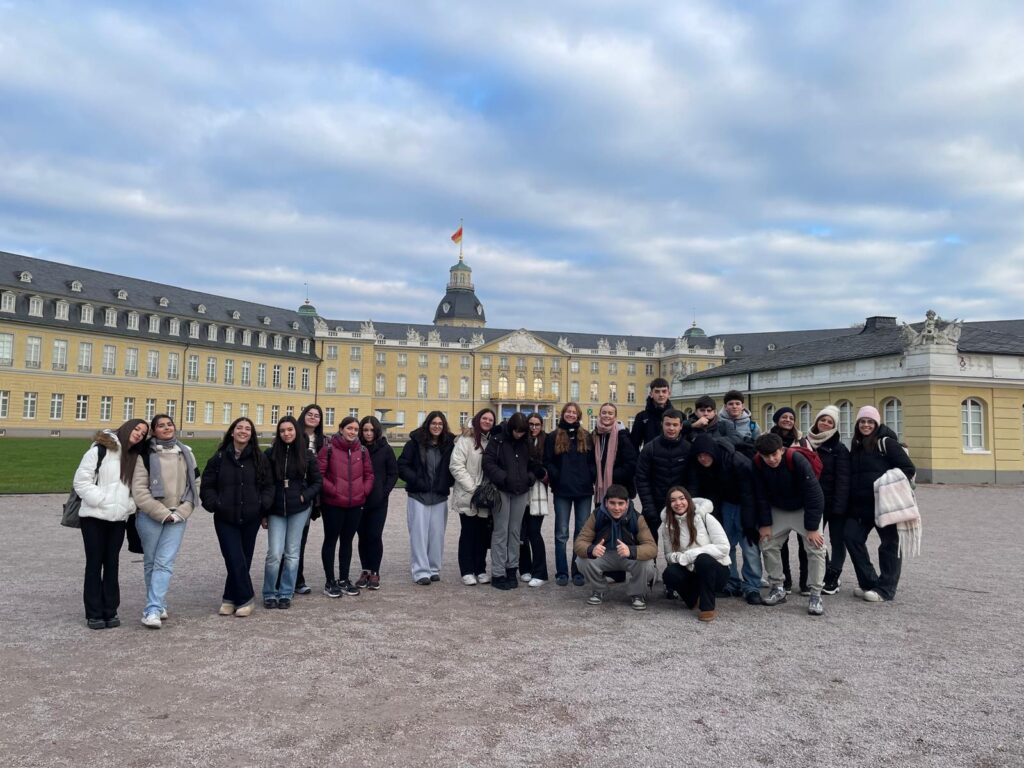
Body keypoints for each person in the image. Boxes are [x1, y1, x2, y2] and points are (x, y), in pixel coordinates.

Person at [74, 418, 149, 629]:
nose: (139, 434)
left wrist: (128, 506)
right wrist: (102, 500)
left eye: (143, 433)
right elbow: (81, 481)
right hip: (94, 517)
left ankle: (110, 610)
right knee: (94, 563)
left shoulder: (134, 457)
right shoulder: (100, 450)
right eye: (137, 429)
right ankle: (94, 613)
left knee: (112, 564)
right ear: (127, 428)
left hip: (118, 519)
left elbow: (136, 489)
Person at [200, 417, 274, 617]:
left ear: (251, 434)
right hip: (225, 517)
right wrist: (215, 504)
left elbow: (268, 486)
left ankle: (229, 598)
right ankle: (246, 598)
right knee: (233, 556)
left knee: (244, 557)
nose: (243, 431)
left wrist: (262, 505)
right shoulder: (219, 458)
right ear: (232, 432)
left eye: (247, 429)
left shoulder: (259, 458)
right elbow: (207, 485)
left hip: (251, 516)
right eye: (239, 428)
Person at [131, 414, 199, 629]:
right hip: (150, 516)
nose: (167, 428)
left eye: (169, 424)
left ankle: (152, 609)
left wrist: (182, 511)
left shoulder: (186, 452)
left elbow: (194, 485)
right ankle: (158, 604)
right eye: (161, 426)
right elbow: (139, 491)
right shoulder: (144, 455)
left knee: (164, 563)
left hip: (178, 516)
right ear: (153, 431)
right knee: (152, 562)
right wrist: (162, 513)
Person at [844, 406, 915, 602]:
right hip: (861, 506)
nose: (866, 425)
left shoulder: (887, 443)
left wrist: (884, 482)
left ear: (877, 424)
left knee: (889, 544)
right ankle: (869, 582)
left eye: (870, 422)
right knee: (851, 537)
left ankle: (886, 589)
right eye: (862, 421)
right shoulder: (857, 445)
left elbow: (908, 468)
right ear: (857, 424)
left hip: (884, 504)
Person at [751, 433, 827, 615]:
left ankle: (815, 593)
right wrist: (765, 523)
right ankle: (777, 587)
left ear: (782, 450)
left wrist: (812, 528)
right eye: (766, 456)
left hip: (804, 507)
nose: (771, 459)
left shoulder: (797, 459)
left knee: (816, 547)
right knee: (767, 543)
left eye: (774, 454)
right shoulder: (758, 463)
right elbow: (760, 495)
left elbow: (814, 494)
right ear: (760, 454)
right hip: (779, 507)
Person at [684, 433, 762, 605]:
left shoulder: (737, 461)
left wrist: (749, 522)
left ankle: (752, 586)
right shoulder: (699, 465)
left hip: (745, 504)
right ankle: (731, 582)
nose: (702, 458)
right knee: (726, 544)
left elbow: (749, 493)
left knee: (749, 545)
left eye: (706, 454)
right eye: (699, 455)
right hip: (725, 504)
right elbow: (699, 489)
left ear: (713, 451)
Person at [261, 416, 322, 609]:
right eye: (282, 430)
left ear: (296, 431)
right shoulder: (270, 454)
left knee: (292, 553)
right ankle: (269, 592)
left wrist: (305, 496)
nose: (286, 433)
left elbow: (317, 482)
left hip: (299, 508)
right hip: (276, 509)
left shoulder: (307, 455)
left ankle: (286, 592)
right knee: (274, 554)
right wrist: (264, 512)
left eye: (290, 430)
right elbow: (264, 483)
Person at [482, 412, 543, 590]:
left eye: (522, 432)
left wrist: (529, 478)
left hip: (521, 491)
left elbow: (534, 465)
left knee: (515, 532)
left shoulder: (527, 442)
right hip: (502, 490)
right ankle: (498, 572)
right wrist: (503, 477)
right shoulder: (498, 440)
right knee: (501, 531)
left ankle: (511, 569)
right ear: (511, 429)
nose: (519, 435)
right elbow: (488, 463)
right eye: (517, 431)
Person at [573, 484, 657, 611]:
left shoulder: (637, 518)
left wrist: (632, 551)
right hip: (604, 555)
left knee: (648, 564)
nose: (616, 508)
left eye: (620, 503)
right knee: (581, 560)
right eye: (612, 503)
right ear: (606, 503)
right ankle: (599, 590)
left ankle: (637, 593)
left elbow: (652, 547)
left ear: (627, 504)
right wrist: (591, 549)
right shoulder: (596, 515)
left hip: (628, 556)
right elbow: (579, 543)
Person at [318, 416, 375, 597]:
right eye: (349, 428)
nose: (352, 432)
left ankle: (344, 579)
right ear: (341, 429)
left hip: (355, 504)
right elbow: (319, 475)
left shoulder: (362, 451)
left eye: (355, 429)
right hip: (333, 504)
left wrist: (363, 491)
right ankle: (329, 581)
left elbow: (369, 474)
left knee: (347, 542)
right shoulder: (328, 449)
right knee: (330, 541)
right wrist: (334, 490)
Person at [398, 411, 456, 585]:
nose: (437, 426)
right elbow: (402, 466)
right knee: (419, 534)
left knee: (437, 534)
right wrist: (417, 480)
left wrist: (446, 482)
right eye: (434, 423)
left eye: (440, 424)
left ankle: (433, 568)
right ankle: (420, 571)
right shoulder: (414, 444)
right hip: (418, 495)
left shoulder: (449, 445)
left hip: (439, 495)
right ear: (428, 424)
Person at [660, 486, 731, 621]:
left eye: (682, 498)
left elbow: (724, 547)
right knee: (669, 573)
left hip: (715, 571)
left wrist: (692, 554)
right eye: (673, 500)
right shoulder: (667, 526)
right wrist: (680, 557)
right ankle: (693, 599)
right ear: (669, 504)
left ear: (688, 500)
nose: (678, 503)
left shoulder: (705, 517)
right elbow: (668, 555)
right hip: (690, 570)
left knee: (703, 559)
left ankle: (707, 608)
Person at [544, 402, 596, 586]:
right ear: (563, 414)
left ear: (578, 415)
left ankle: (578, 570)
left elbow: (592, 461)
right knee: (561, 533)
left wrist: (590, 476)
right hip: (562, 490)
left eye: (574, 412)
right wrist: (557, 477)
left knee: (581, 532)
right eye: (568, 412)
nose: (571, 415)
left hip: (584, 490)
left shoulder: (586, 436)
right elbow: (548, 461)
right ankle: (562, 572)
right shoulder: (553, 436)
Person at [804, 405, 851, 595]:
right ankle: (824, 572)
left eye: (829, 421)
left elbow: (843, 479)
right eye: (822, 419)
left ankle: (833, 576)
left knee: (837, 540)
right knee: (815, 540)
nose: (825, 423)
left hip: (835, 502)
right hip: (814, 502)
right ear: (816, 422)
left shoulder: (839, 448)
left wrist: (840, 506)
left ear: (834, 426)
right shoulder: (806, 442)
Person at [449, 408, 495, 586]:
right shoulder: (465, 440)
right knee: (468, 533)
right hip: (469, 494)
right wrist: (473, 488)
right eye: (484, 418)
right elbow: (456, 465)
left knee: (482, 534)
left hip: (485, 495)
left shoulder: (491, 441)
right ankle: (467, 570)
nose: (487, 422)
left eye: (490, 420)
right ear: (477, 419)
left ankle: (480, 569)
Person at [355, 415, 399, 591]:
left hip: (378, 501)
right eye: (365, 430)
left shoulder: (385, 449)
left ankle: (375, 571)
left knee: (374, 535)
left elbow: (393, 473)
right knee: (362, 536)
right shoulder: (357, 447)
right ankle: (365, 570)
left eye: (371, 430)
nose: (368, 433)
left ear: (377, 431)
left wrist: (384, 491)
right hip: (359, 499)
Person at [634, 409, 690, 542]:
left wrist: (688, 502)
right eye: (668, 424)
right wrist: (648, 506)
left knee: (681, 539)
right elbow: (641, 479)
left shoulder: (688, 448)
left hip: (679, 502)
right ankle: (650, 557)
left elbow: (692, 479)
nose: (671, 428)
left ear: (681, 426)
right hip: (654, 500)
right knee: (645, 537)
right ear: (662, 424)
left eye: (675, 425)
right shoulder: (650, 448)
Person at [770, 406, 808, 594]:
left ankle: (806, 582)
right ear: (777, 419)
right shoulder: (768, 439)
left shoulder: (802, 440)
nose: (788, 420)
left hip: (800, 497)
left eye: (791, 417)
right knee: (779, 545)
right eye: (784, 417)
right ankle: (785, 581)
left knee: (805, 543)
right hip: (777, 498)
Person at [291, 404, 326, 595]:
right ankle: (284, 579)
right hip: (290, 491)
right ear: (303, 415)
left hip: (311, 493)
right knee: (285, 541)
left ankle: (297, 579)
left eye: (317, 415)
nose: (313, 417)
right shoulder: (291, 433)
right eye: (310, 414)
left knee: (300, 539)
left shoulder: (323, 441)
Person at [519, 413, 550, 587]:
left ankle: (540, 572)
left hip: (538, 493)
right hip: (521, 490)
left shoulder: (546, 442)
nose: (533, 427)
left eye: (537, 424)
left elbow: (549, 466)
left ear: (541, 426)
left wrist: (543, 473)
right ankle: (525, 568)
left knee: (534, 532)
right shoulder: (521, 441)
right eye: (530, 424)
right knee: (521, 532)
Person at [593, 402, 638, 502]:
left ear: (615, 416)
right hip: (601, 486)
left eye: (610, 413)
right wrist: (595, 473)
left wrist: (613, 475)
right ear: (600, 414)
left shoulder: (622, 434)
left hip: (620, 487)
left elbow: (631, 462)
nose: (607, 415)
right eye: (604, 413)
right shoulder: (596, 434)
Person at [630, 377, 673, 451]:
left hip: (672, 457)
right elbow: (634, 444)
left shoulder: (677, 416)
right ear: (651, 394)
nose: (661, 394)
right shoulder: (641, 417)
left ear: (669, 394)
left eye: (664, 391)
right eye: (657, 391)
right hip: (649, 457)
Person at [717, 390, 760, 456]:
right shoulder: (717, 424)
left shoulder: (753, 426)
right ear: (725, 407)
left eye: (737, 404)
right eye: (731, 404)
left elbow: (758, 448)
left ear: (742, 406)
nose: (734, 406)